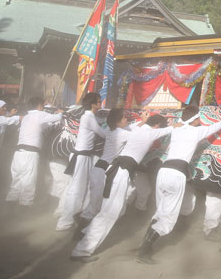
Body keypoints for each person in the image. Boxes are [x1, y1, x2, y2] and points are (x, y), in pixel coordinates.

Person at [71, 113, 174, 263]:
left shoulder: (136, 130)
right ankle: (82, 250)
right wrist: (175, 124)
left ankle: (86, 232)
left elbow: (140, 126)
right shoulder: (151, 132)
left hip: (116, 169)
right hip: (122, 170)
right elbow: (171, 130)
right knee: (109, 213)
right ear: (157, 126)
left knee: (118, 210)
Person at [136, 106, 221, 264]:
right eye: (198, 119)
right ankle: (144, 250)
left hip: (163, 172)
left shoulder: (177, 130)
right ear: (194, 121)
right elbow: (215, 127)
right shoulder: (195, 131)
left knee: (160, 212)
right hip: (176, 173)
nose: (200, 122)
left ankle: (144, 245)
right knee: (167, 219)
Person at [76, 104, 128, 236]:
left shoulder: (110, 131)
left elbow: (129, 128)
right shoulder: (121, 133)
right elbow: (138, 136)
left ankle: (82, 227)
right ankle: (79, 234)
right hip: (102, 170)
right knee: (94, 205)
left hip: (99, 168)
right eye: (124, 118)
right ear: (118, 121)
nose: (126, 120)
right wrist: (144, 123)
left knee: (95, 203)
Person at [57, 93, 106, 231]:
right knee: (76, 188)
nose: (100, 103)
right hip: (81, 156)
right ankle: (65, 221)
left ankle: (75, 216)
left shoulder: (90, 116)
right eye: (98, 101)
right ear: (93, 104)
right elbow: (102, 134)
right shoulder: (88, 117)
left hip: (84, 155)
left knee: (82, 187)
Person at [5, 98, 63, 207]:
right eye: (43, 105)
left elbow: (43, 126)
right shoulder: (39, 114)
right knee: (29, 182)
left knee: (16, 181)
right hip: (30, 153)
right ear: (39, 106)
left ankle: (9, 208)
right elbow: (58, 117)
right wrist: (60, 112)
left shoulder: (27, 117)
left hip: (18, 153)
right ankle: (24, 208)